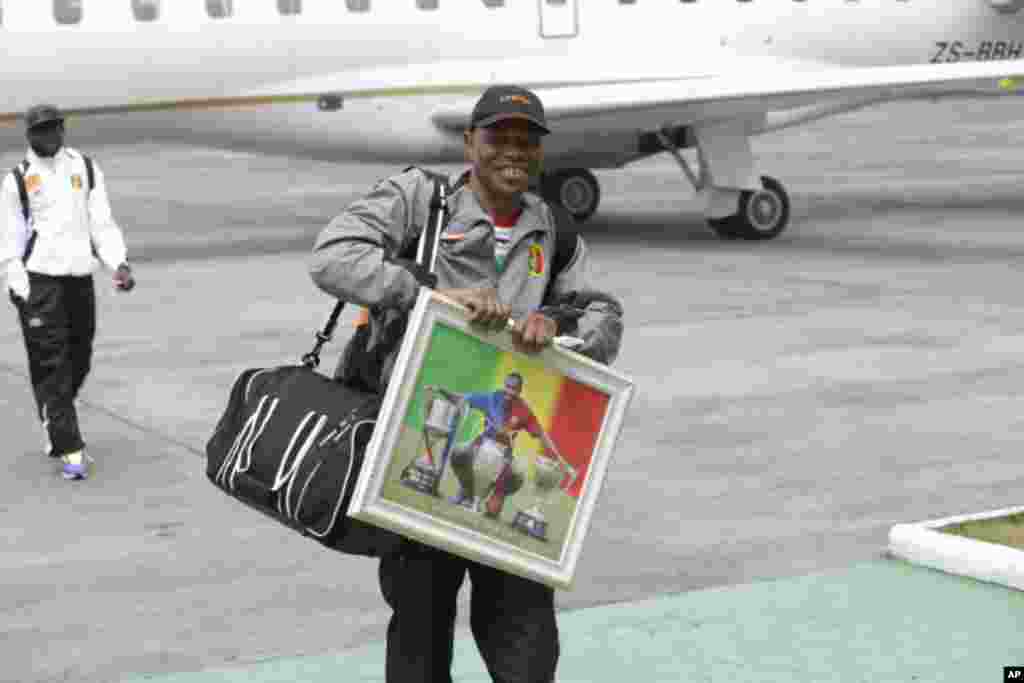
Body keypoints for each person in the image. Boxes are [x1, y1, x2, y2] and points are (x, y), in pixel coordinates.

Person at [309, 84, 623, 683]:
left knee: (526, 645)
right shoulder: (421, 201)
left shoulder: (554, 228)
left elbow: (604, 317)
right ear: (469, 142)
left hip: (507, 485)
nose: (513, 150)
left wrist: (555, 326)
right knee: (420, 630)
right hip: (414, 458)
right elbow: (332, 257)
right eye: (498, 136)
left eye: (526, 139)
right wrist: (429, 294)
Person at [1, 103, 135, 481]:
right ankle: (70, 448)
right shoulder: (18, 180)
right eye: (41, 130)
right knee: (52, 365)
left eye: (54, 128)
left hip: (79, 278)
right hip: (39, 282)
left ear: (62, 129)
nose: (49, 135)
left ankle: (53, 414)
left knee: (80, 357)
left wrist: (118, 263)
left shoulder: (85, 168)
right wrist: (19, 286)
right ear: (29, 135)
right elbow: (9, 240)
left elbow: (101, 223)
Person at [443, 372, 574, 519]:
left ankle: (497, 495)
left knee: (497, 505)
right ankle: (466, 490)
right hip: (480, 448)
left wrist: (561, 460)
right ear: (504, 385)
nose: (509, 391)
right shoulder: (492, 398)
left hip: (504, 457)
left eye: (514, 389)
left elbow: (542, 436)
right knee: (460, 451)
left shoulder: (524, 410)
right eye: (508, 386)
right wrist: (441, 391)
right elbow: (462, 399)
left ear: (519, 391)